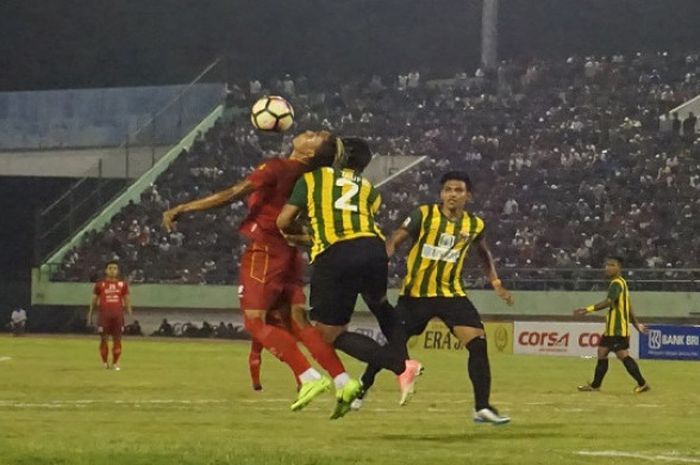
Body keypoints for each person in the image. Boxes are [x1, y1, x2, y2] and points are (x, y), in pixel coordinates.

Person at [163, 130, 354, 413]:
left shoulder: (278, 167)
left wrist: (185, 208)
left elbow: (234, 192)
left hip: (264, 249)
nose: (307, 132)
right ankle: (343, 380)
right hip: (289, 252)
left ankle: (308, 376)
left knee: (254, 321)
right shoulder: (312, 179)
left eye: (314, 136)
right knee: (299, 323)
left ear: (309, 153)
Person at [278, 137, 421, 419]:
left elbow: (283, 222)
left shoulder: (312, 178)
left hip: (337, 254)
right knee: (380, 304)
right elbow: (355, 217)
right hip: (374, 249)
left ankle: (401, 366)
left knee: (326, 335)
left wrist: (302, 234)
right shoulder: (369, 189)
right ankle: (403, 364)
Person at [355, 171, 514, 424]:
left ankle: (482, 408)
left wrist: (495, 282)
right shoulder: (423, 214)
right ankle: (362, 387)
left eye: (459, 190)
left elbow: (483, 253)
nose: (453, 194)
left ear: (468, 196)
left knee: (478, 343)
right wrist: (382, 257)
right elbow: (395, 238)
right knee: (394, 345)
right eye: (448, 190)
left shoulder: (474, 225)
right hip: (416, 296)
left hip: (451, 295)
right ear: (441, 194)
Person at [574, 256, 651, 393]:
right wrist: (636, 325)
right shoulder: (621, 283)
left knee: (622, 355)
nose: (607, 267)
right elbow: (628, 308)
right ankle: (595, 385)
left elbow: (609, 302)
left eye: (612, 265)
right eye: (606, 264)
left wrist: (587, 309)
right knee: (602, 352)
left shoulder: (616, 283)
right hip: (611, 329)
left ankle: (642, 383)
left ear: (619, 267)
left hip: (617, 329)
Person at [88, 261, 132, 370]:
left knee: (117, 339)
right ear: (106, 270)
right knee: (104, 339)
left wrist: (130, 315)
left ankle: (115, 363)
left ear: (118, 271)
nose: (112, 270)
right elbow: (94, 301)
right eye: (110, 268)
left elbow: (127, 301)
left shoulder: (123, 285)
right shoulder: (99, 285)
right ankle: (104, 363)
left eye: (115, 268)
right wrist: (90, 314)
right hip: (104, 316)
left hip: (118, 316)